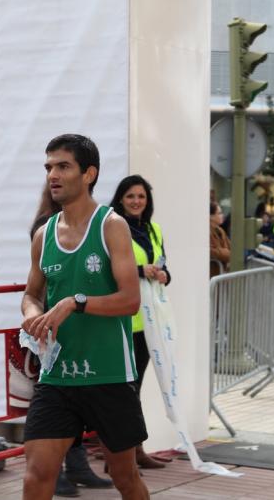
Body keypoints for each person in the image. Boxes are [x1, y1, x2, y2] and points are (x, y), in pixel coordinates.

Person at [20, 134, 148, 500]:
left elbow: (130, 300)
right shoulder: (43, 234)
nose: (53, 175)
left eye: (63, 166)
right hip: (58, 375)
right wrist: (33, 315)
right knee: (36, 476)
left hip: (108, 372)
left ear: (89, 173)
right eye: (49, 167)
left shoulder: (112, 225)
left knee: (125, 478)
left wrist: (75, 302)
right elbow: (32, 294)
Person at [110, 175, 173, 470]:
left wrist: (162, 274)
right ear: (121, 199)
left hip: (148, 322)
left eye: (141, 197)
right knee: (123, 391)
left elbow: (163, 266)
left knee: (136, 387)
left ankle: (135, 450)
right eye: (131, 196)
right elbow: (109, 271)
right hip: (122, 321)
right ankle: (121, 455)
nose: (136, 201)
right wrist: (139, 269)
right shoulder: (113, 228)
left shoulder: (154, 229)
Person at [210, 201, 230, 277]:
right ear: (211, 216)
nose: (222, 215)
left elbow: (231, 247)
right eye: (219, 213)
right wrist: (226, 253)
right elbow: (210, 251)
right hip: (213, 275)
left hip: (222, 274)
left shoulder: (220, 230)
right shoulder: (206, 232)